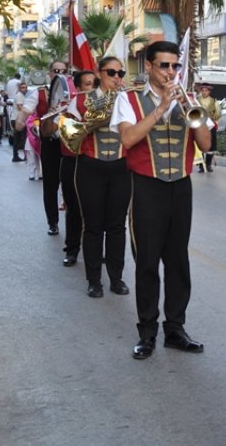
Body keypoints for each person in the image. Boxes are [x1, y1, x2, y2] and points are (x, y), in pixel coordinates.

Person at [112, 41, 214, 360]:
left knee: (178, 261)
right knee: (147, 261)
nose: (170, 72)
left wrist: (190, 111)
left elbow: (207, 144)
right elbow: (128, 139)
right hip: (146, 186)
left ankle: (175, 328)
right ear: (149, 67)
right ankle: (147, 332)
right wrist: (159, 108)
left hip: (180, 185)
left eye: (174, 66)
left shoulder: (188, 100)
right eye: (164, 66)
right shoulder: (128, 100)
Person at [73, 58, 131, 298]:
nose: (117, 76)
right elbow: (70, 127)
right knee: (94, 226)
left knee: (117, 226)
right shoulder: (82, 99)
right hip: (91, 166)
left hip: (121, 166)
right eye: (111, 72)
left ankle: (116, 278)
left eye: (120, 72)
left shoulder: (128, 100)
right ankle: (94, 280)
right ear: (99, 73)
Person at [18, 61, 70, 236]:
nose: (60, 73)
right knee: (50, 184)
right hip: (50, 142)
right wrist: (19, 120)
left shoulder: (74, 91)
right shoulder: (39, 93)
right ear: (50, 73)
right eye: (56, 70)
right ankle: (52, 222)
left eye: (64, 71)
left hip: (70, 143)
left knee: (72, 185)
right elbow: (26, 111)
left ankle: (74, 223)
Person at [59, 70, 96, 268]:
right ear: (79, 88)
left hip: (96, 161)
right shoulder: (71, 106)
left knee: (97, 211)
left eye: (95, 84)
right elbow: (68, 135)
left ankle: (99, 251)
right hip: (73, 161)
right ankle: (72, 249)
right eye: (88, 84)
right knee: (73, 208)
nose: (93, 88)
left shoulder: (107, 103)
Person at [194, 84, 221, 172]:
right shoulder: (196, 101)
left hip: (210, 124)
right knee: (200, 144)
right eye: (203, 90)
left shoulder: (214, 101)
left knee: (211, 146)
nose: (204, 92)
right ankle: (201, 166)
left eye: (206, 90)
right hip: (200, 124)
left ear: (209, 92)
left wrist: (215, 121)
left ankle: (208, 164)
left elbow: (218, 114)